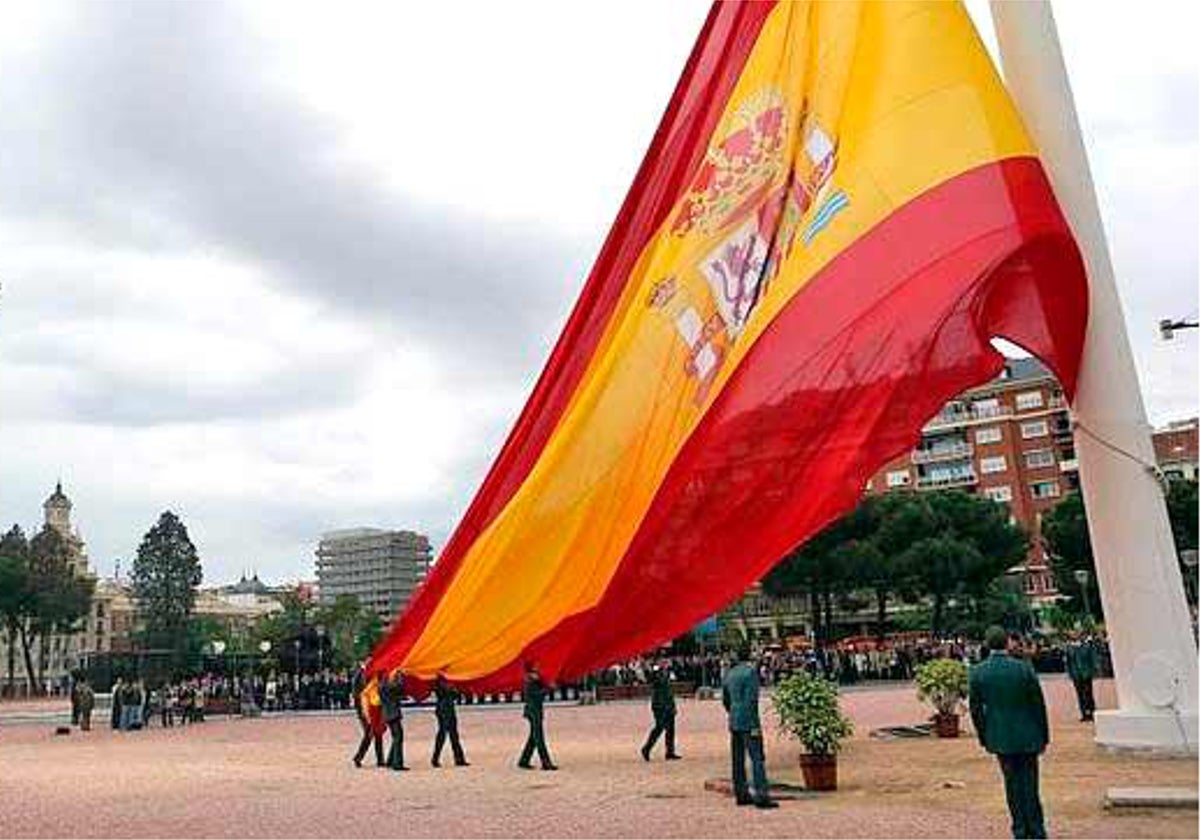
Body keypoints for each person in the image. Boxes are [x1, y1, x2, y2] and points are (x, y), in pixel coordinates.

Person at [969, 626, 1049, 840]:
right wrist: (1044, 735)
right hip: (1029, 734)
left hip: (999, 735)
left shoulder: (978, 672)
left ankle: (1020, 830)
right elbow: (1038, 705)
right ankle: (1037, 830)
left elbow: (976, 710)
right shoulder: (1023, 669)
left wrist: (984, 736)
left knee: (1012, 786)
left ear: (986, 645)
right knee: (1031, 785)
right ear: (1007, 643)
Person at [722, 647, 777, 809]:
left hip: (734, 719)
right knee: (757, 758)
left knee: (737, 759)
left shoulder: (729, 674)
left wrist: (733, 712)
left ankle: (741, 794)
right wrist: (753, 722)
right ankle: (761, 795)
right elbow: (752, 700)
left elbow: (726, 700)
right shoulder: (750, 673)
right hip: (749, 719)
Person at [517, 661, 557, 770]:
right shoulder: (530, 680)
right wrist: (549, 689)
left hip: (534, 710)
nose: (538, 666)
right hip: (533, 711)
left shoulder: (535, 679)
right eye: (535, 666)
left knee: (533, 738)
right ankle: (546, 763)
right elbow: (537, 695)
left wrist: (548, 686)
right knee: (539, 738)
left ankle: (523, 761)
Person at [641, 660, 680, 761]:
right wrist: (653, 669)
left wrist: (673, 706)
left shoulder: (667, 672)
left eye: (666, 662)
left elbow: (669, 689)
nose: (666, 663)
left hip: (668, 704)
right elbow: (652, 679)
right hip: (659, 705)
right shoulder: (655, 673)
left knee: (671, 729)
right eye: (663, 662)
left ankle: (670, 752)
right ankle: (646, 748)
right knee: (659, 727)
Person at [350, 665, 385, 769]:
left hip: (374, 707)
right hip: (364, 708)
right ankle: (358, 758)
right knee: (369, 733)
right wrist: (361, 710)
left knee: (378, 732)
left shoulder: (375, 673)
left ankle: (380, 759)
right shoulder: (360, 673)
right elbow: (356, 693)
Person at [432, 673, 469, 768]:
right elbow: (441, 692)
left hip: (450, 709)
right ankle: (435, 759)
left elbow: (456, 696)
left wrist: (454, 690)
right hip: (443, 710)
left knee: (454, 735)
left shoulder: (448, 682)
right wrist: (451, 688)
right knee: (442, 735)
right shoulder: (438, 681)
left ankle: (459, 759)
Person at [1064, 630, 1098, 722]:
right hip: (1076, 674)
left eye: (1077, 633)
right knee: (1080, 694)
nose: (1075, 634)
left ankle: (1092, 711)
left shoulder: (1087, 645)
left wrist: (1094, 669)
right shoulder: (1069, 647)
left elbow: (1092, 658)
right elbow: (1068, 662)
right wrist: (1070, 674)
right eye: (1073, 633)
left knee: (1088, 693)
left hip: (1086, 673)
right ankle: (1084, 713)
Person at [380, 670, 408, 771]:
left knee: (396, 736)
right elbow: (399, 687)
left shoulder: (382, 686)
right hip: (393, 714)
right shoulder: (388, 686)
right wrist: (400, 675)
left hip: (388, 714)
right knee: (398, 737)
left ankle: (390, 761)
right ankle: (397, 764)